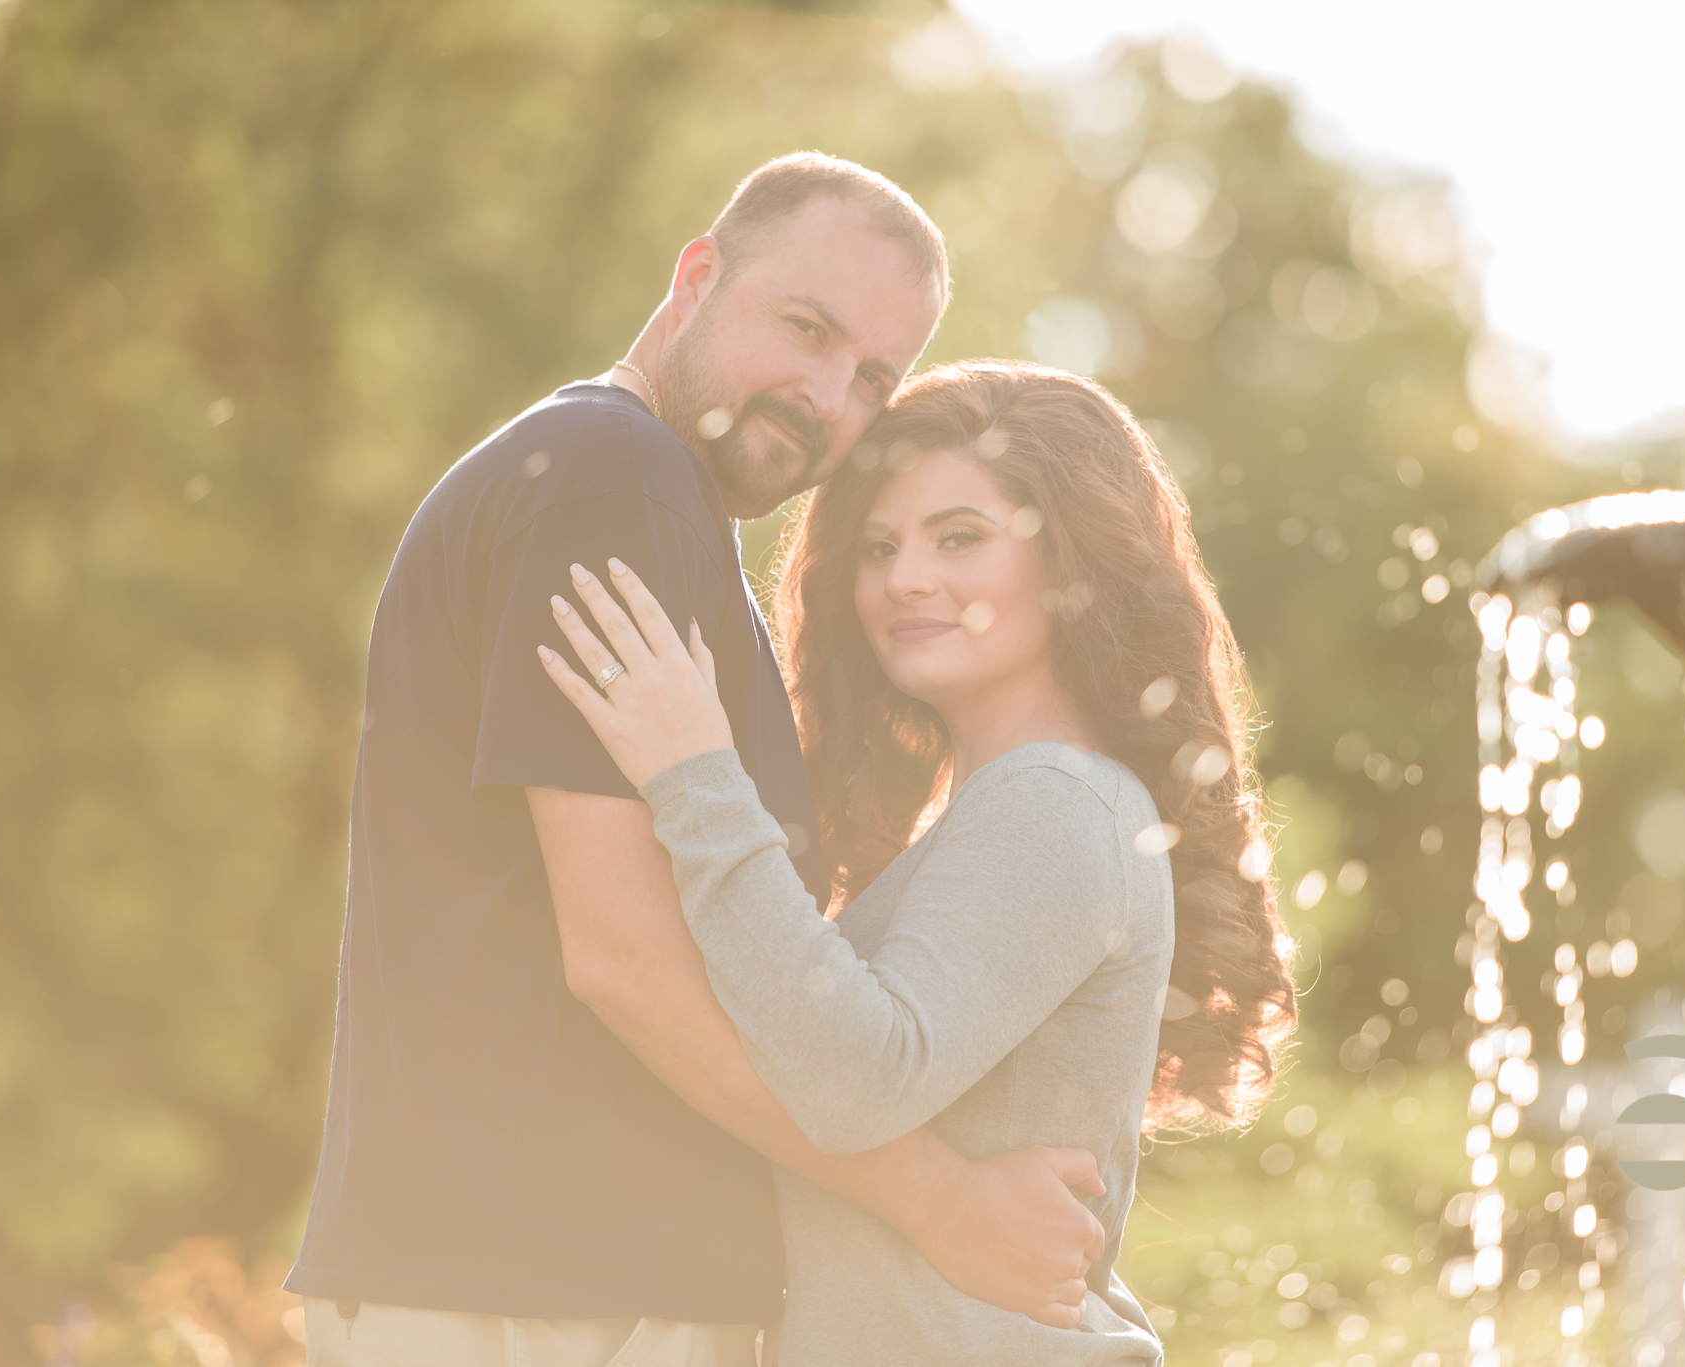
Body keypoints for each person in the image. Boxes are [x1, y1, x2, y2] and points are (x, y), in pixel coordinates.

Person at [288, 158, 1112, 1367]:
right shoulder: (612, 480)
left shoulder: (630, 495)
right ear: (696, 276)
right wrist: (942, 1203)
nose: (826, 393)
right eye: (805, 327)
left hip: (548, 1281)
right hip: (547, 1300)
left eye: (872, 374)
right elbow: (625, 955)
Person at [540, 362, 1300, 1364]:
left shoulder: (1056, 801)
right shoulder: (1000, 812)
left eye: (959, 537)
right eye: (880, 545)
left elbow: (858, 1078)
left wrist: (694, 774)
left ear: (1072, 561)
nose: (904, 577)